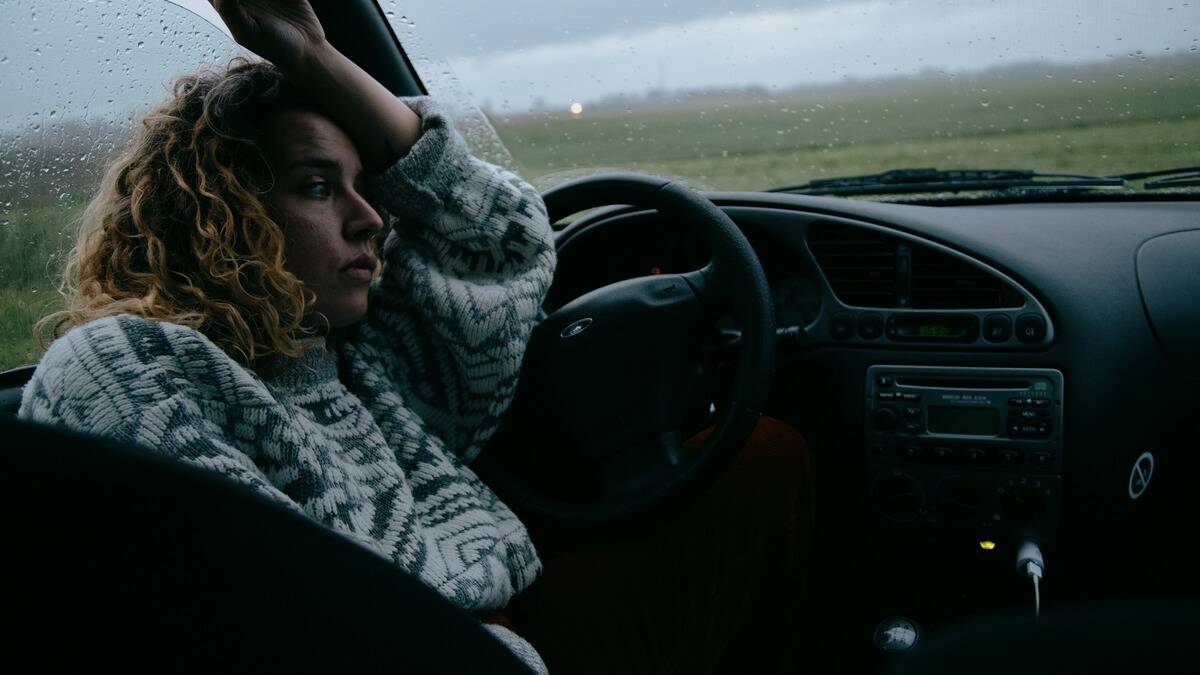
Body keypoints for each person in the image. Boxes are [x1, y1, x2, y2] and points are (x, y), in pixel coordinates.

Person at [18, 1, 811, 672]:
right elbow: (271, 619)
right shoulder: (129, 369)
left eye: (368, 188)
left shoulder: (359, 360)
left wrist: (320, 58)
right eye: (320, 186)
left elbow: (501, 240)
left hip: (502, 627)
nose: (371, 220)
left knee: (765, 454)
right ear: (218, 213)